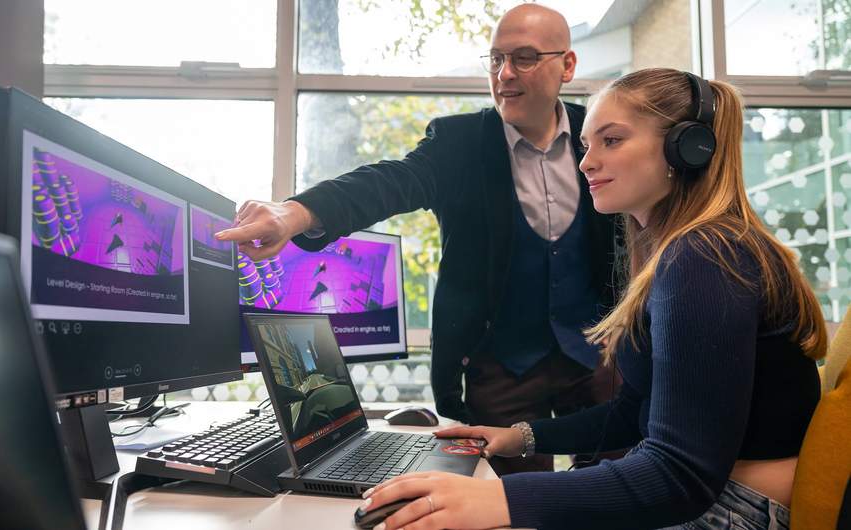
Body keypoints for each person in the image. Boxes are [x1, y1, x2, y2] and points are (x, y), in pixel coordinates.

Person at [352, 68, 827, 530]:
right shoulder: (680, 251)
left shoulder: (705, 257)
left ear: (687, 149)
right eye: (586, 145)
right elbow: (634, 412)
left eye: (612, 140)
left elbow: (681, 476)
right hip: (713, 496)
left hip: (734, 508)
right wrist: (520, 437)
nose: (586, 163)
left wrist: (500, 499)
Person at [217, 5, 622, 475]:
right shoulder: (460, 143)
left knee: (612, 488)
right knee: (506, 502)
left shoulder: (597, 136)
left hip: (596, 355)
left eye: (524, 58)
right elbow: (391, 182)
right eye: (495, 59)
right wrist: (296, 212)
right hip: (499, 366)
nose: (504, 73)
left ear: (567, 65)